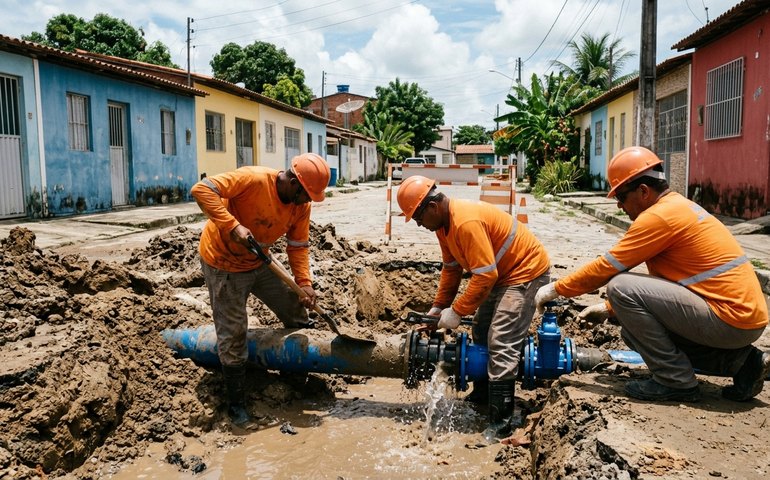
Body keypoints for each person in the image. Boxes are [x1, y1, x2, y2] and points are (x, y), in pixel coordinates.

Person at [535, 146, 769, 403]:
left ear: (643, 191)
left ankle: (675, 382)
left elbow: (607, 267)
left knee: (620, 286)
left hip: (729, 320)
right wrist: (609, 308)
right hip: (742, 319)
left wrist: (556, 289)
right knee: (632, 333)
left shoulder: (659, 217)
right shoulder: (677, 206)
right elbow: (671, 287)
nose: (620, 206)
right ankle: (742, 363)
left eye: (621, 197)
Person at [397, 175, 551, 439]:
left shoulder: (465, 222)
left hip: (525, 273)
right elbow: (451, 269)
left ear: (432, 207)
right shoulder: (444, 227)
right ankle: (483, 392)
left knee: (501, 339)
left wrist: (456, 311)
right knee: (480, 328)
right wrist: (438, 308)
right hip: (501, 275)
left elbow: (485, 276)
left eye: (419, 218)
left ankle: (501, 422)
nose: (420, 225)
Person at [191, 153, 331, 425]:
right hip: (224, 263)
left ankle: (294, 374)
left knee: (296, 310)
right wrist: (232, 225)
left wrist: (304, 284)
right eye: (306, 195)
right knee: (233, 334)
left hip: (259, 258)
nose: (307, 202)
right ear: (293, 182)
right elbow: (201, 189)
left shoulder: (300, 205)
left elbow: (298, 246)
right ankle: (236, 405)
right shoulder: (252, 179)